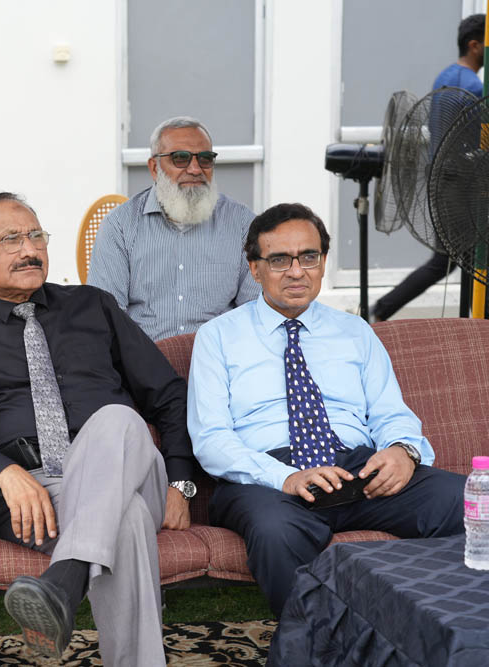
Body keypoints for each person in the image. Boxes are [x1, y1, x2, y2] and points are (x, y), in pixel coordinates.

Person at [0, 192, 193, 664]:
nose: (29, 249)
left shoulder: (94, 307)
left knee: (118, 418)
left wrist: (180, 482)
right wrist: (4, 473)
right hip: (33, 495)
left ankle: (64, 582)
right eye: (11, 239)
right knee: (127, 523)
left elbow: (168, 393)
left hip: (127, 468)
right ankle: (79, 601)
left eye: (36, 235)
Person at [188, 202, 466, 616]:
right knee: (276, 531)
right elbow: (211, 439)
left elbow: (390, 412)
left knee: (466, 501)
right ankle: (316, 644)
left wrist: (402, 451)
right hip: (267, 480)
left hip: (356, 472)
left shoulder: (355, 331)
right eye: (279, 260)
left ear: (322, 262)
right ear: (254, 268)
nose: (296, 271)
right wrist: (284, 477)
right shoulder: (218, 337)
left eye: (309, 257)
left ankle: (445, 634)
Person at [87, 116, 259, 341]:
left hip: (220, 357)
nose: (195, 169)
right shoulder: (119, 226)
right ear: (154, 167)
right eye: (180, 158)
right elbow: (106, 318)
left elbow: (254, 313)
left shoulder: (242, 224)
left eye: (205, 159)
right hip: (143, 358)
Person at [373, 13, 485, 321]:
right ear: (474, 45)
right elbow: (478, 143)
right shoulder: (473, 87)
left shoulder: (444, 77)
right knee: (459, 261)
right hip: (462, 186)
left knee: (457, 261)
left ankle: (382, 309)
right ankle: (381, 309)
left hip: (441, 182)